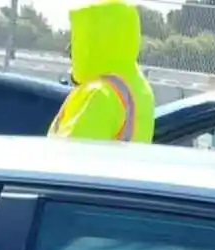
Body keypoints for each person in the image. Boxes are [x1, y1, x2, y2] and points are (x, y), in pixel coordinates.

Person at [47, 0, 155, 144]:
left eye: (77, 38)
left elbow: (71, 156)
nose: (70, 48)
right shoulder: (137, 87)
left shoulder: (101, 93)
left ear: (92, 41)